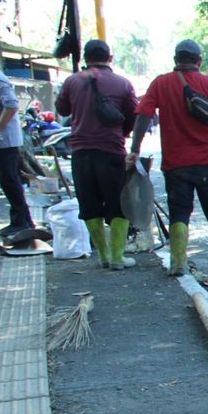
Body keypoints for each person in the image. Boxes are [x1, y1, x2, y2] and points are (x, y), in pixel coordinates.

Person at [127, 39, 208, 278]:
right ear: (200, 61)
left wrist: (134, 149)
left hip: (176, 165)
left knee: (179, 212)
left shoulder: (160, 84)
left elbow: (143, 115)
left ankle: (177, 263)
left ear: (176, 60)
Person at [54, 39, 139, 269]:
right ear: (109, 58)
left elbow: (61, 109)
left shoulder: (72, 81)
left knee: (89, 204)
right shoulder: (123, 83)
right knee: (118, 205)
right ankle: (118, 257)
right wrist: (123, 133)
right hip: (111, 152)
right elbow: (134, 114)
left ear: (85, 58)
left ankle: (102, 255)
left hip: (81, 153)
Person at [0, 45, 36, 239]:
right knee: (8, 180)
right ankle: (23, 220)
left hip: (4, 139)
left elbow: (11, 106)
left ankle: (22, 221)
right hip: (0, 139)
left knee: (9, 180)